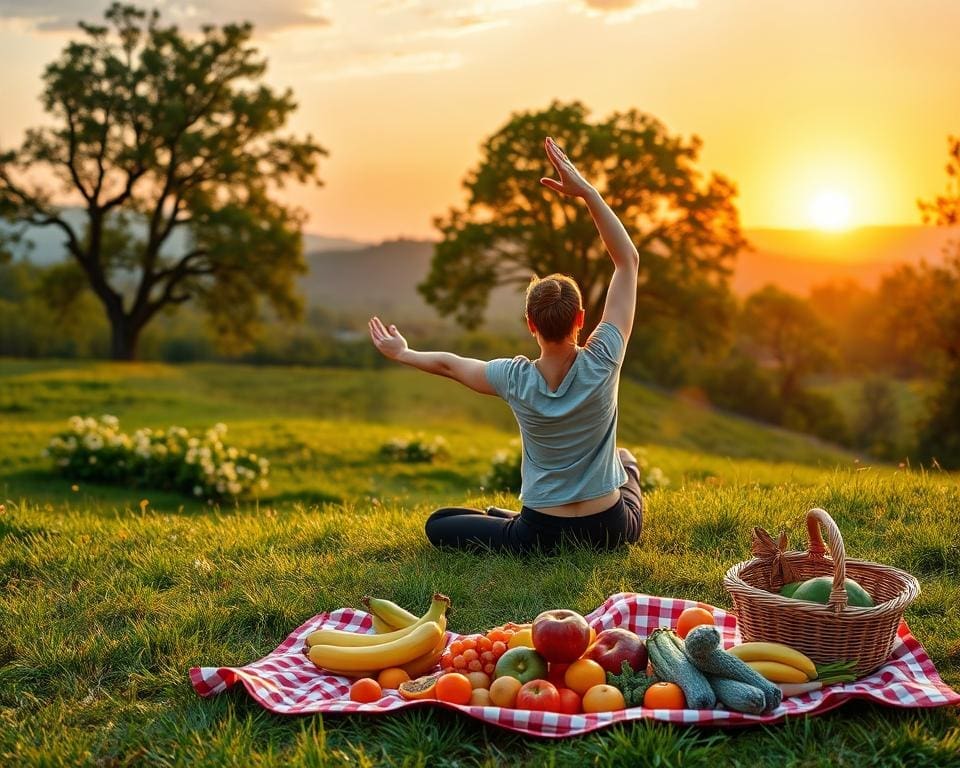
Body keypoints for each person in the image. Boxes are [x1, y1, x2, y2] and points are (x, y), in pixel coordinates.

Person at [368, 136, 641, 553]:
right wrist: (586, 191)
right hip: (607, 529)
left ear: (530, 323)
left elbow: (449, 365)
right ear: (581, 320)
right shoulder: (604, 356)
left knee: (440, 523)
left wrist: (402, 352)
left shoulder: (513, 378)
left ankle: (513, 520)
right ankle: (629, 467)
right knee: (625, 467)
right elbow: (627, 260)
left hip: (540, 533)